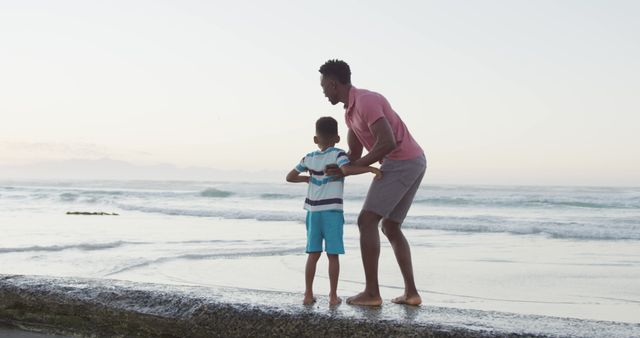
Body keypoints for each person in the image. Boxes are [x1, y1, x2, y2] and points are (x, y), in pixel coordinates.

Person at [319, 59, 426, 306]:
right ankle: (412, 294)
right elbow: (354, 155)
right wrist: (338, 164)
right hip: (413, 160)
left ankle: (372, 293)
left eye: (324, 86)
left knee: (366, 220)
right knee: (390, 226)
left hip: (402, 161)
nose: (323, 92)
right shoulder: (349, 113)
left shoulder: (366, 101)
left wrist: (355, 168)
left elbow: (387, 142)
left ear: (334, 84)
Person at [286, 116, 382, 306]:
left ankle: (307, 295)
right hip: (332, 212)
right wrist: (370, 168)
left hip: (313, 213)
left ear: (316, 139)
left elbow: (290, 177)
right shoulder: (339, 154)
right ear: (338, 138)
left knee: (313, 255)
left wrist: (306, 179)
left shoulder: (308, 158)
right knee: (333, 255)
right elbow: (347, 170)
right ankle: (332, 296)